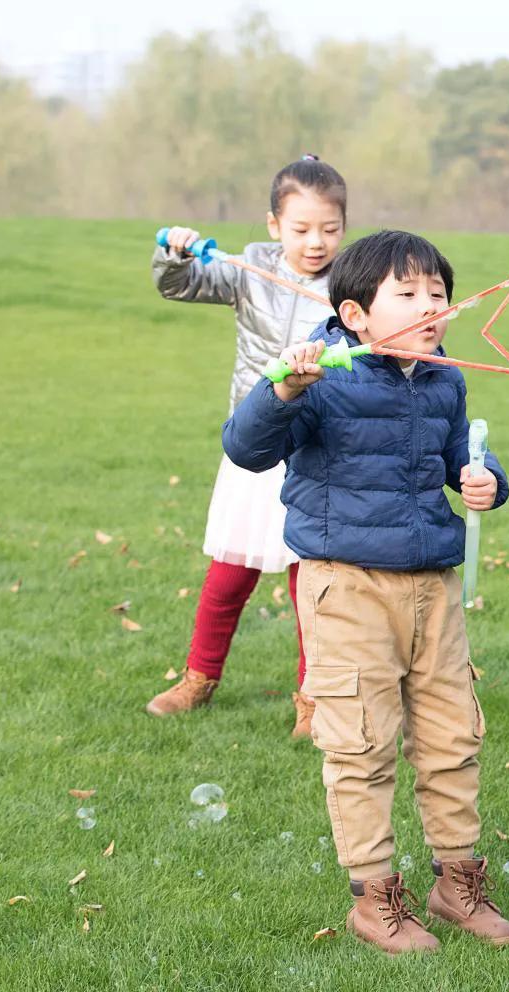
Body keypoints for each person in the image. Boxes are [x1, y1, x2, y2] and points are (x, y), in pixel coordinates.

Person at [223, 230, 509, 954]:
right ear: (355, 315)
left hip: (432, 589)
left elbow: (463, 457)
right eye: (408, 294)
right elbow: (245, 446)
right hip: (346, 586)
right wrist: (285, 387)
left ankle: (457, 883)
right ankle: (374, 896)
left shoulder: (444, 377)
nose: (429, 308)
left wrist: (484, 481)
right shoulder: (324, 373)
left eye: (438, 295)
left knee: (453, 736)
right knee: (360, 743)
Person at [145, 156, 346, 738]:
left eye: (329, 229)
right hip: (256, 438)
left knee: (307, 575)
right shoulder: (247, 267)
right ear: (272, 225)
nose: (316, 242)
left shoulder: (351, 283)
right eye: (301, 229)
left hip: (318, 445)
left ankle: (313, 700)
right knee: (230, 570)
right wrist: (175, 252)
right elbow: (178, 285)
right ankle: (199, 678)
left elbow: (386, 329)